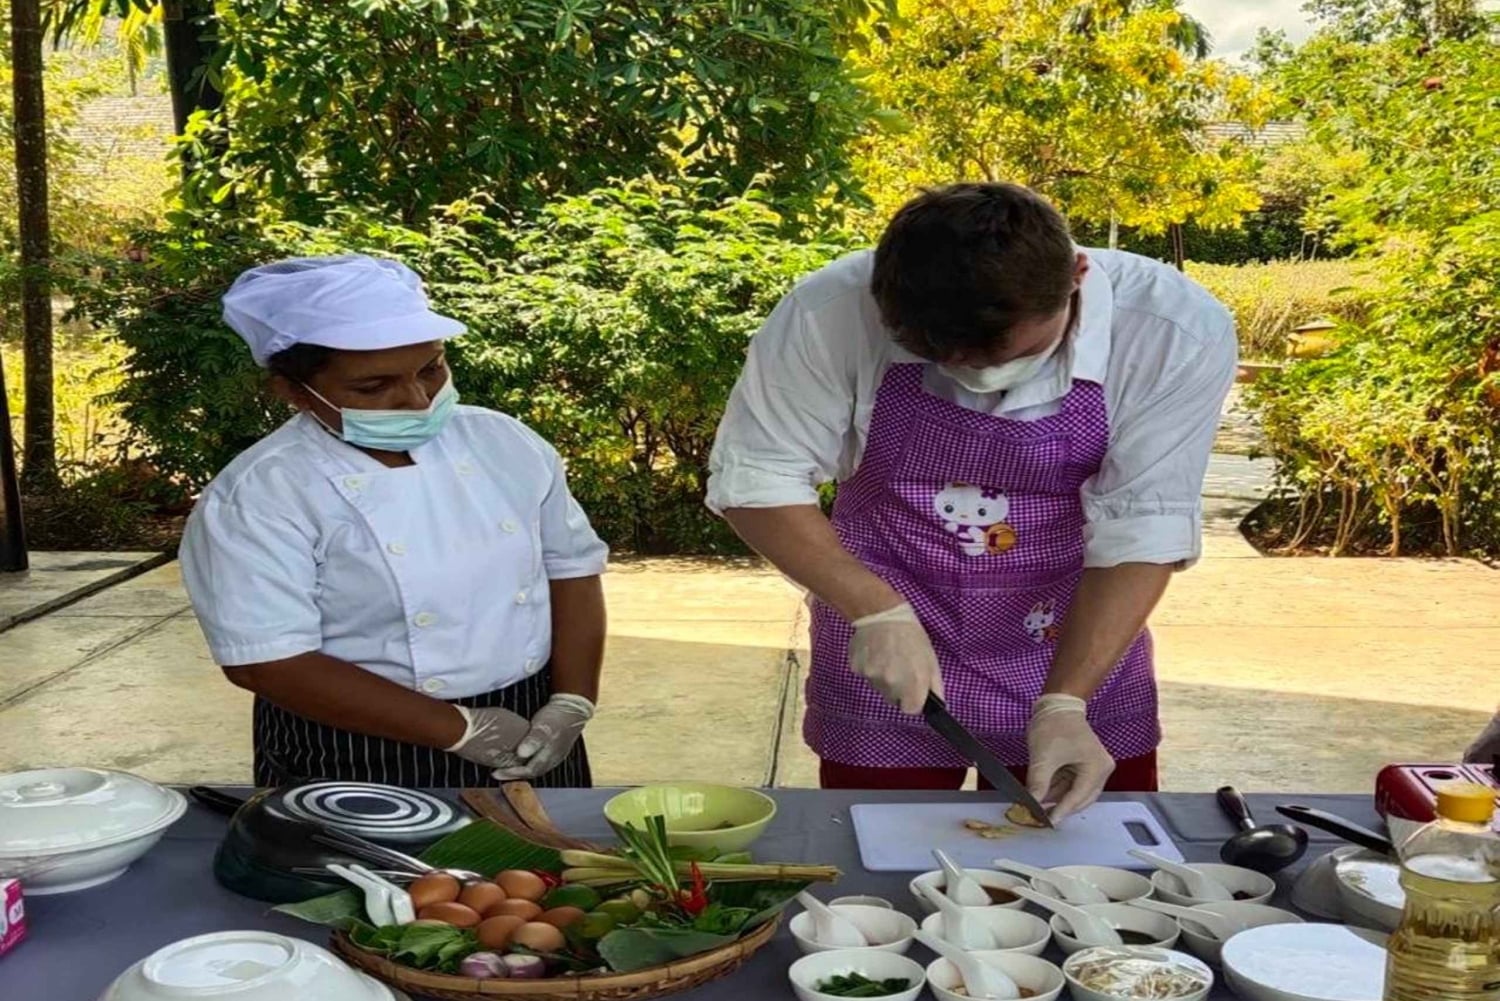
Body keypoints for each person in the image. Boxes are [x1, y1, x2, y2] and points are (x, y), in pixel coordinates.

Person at [707, 183, 1237, 820]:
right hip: (886, 632)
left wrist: (1067, 701)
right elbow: (759, 479)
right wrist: (874, 612)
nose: (974, 378)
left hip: (1069, 631)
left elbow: (1142, 527)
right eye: (938, 357)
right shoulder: (829, 311)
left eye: (1008, 356)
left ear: (1076, 276)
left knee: (1091, 875)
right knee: (883, 866)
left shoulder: (1169, 330)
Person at [180, 255, 608, 789]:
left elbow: (569, 567)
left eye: (431, 368)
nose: (416, 398)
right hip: (352, 742)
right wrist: (458, 729)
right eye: (373, 387)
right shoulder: (262, 493)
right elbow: (265, 662)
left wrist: (571, 700)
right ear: (293, 392)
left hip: (532, 720)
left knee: (549, 869)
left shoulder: (504, 443)